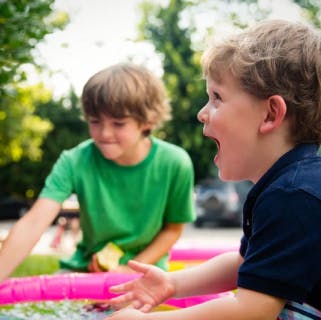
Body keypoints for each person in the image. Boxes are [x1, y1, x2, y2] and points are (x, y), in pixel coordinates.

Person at [106, 20, 321, 319]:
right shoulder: (286, 186)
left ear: (271, 113)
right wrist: (172, 283)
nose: (201, 113)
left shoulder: (294, 196)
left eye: (217, 97)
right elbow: (244, 263)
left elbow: (251, 311)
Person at [0, 63, 195, 280]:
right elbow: (33, 223)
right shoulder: (74, 161)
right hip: (85, 269)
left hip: (145, 273)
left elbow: (173, 229)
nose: (104, 133)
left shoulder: (175, 163)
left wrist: (131, 268)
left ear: (147, 121)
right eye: (95, 121)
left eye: (119, 123)